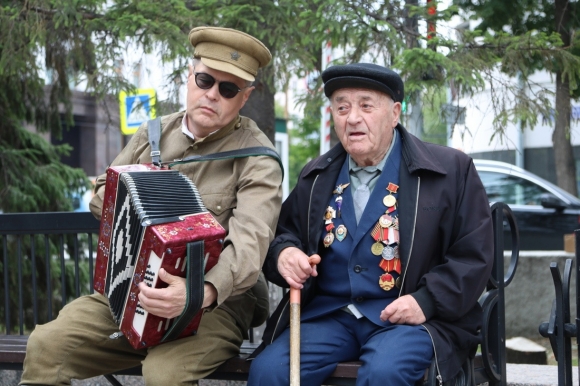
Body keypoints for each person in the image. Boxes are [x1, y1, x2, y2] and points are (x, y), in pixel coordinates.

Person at [20, 26, 282, 386]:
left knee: (164, 374)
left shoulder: (258, 159)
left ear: (245, 97)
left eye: (228, 89)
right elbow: (103, 191)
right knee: (47, 346)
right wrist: (126, 193)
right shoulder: (153, 134)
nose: (212, 95)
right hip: (129, 289)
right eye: (205, 80)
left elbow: (249, 247)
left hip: (213, 305)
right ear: (189, 77)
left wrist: (196, 294)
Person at [248, 63, 493, 385]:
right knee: (270, 372)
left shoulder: (448, 171)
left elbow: (473, 254)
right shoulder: (317, 175)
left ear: (394, 113)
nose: (352, 118)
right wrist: (284, 253)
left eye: (366, 105)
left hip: (412, 320)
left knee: (384, 373)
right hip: (330, 316)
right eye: (342, 107)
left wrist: (427, 300)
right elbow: (282, 235)